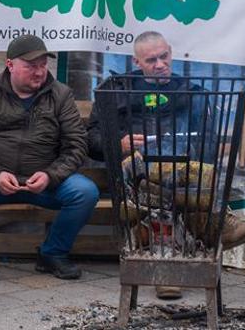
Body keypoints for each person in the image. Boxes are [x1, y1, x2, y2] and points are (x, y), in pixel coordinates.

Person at [0, 34, 99, 280]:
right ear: (10, 65)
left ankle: (52, 254)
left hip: (44, 184)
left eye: (43, 65)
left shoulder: (60, 95)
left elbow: (77, 146)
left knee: (85, 192)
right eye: (31, 66)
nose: (39, 72)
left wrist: (51, 176)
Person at [87, 31, 212, 300]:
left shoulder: (189, 91)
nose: (159, 64)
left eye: (164, 57)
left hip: (181, 172)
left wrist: (190, 152)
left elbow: (208, 140)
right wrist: (119, 143)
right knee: (150, 181)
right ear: (137, 62)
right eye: (151, 60)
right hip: (133, 175)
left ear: (171, 52)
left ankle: (172, 254)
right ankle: (167, 268)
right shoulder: (116, 90)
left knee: (178, 181)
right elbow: (92, 140)